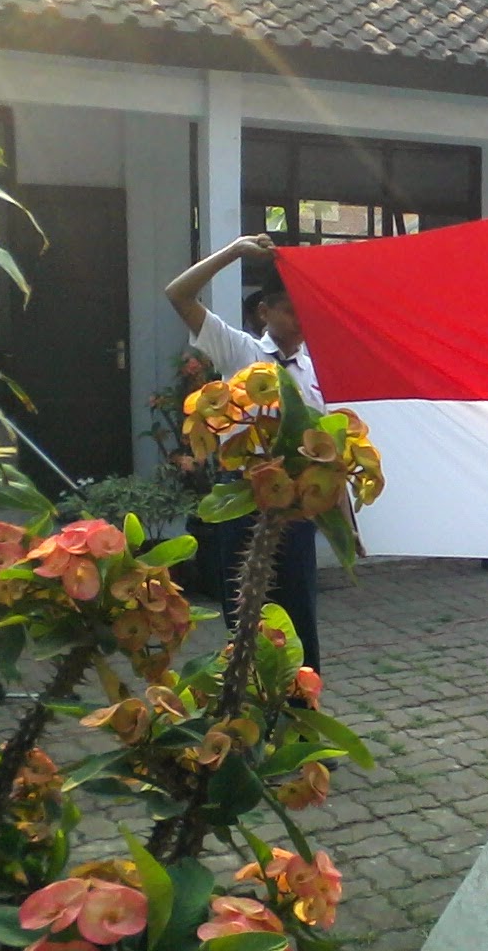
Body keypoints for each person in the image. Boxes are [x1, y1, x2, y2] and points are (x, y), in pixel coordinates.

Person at [165, 233, 360, 676]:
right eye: (289, 310)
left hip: (296, 509)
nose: (298, 321)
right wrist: (234, 251)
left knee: (299, 619)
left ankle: (300, 708)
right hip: (244, 503)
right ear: (264, 312)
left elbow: (329, 452)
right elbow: (178, 293)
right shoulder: (242, 352)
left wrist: (347, 528)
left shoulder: (315, 373)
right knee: (248, 619)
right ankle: (246, 711)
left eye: (303, 311)